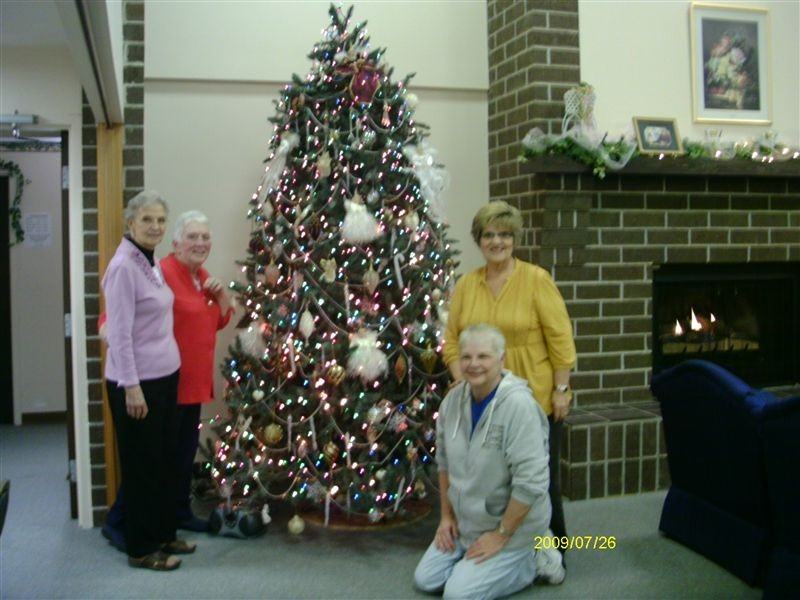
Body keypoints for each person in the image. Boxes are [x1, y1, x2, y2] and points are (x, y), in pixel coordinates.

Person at [443, 200, 576, 562]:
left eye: (504, 234)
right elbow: (452, 341)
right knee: (494, 480)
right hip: (483, 401)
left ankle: (554, 552)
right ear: (479, 240)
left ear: (515, 239)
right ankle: (501, 548)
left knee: (540, 479)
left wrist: (562, 389)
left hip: (534, 397)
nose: (497, 242)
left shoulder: (536, 280)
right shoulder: (467, 285)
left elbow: (561, 339)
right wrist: (462, 380)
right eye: (489, 234)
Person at [102, 210, 233, 548]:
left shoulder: (200, 276)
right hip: (164, 384)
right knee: (152, 462)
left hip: (193, 383)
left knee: (180, 459)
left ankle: (177, 514)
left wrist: (222, 297)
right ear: (175, 243)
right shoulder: (161, 272)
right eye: (192, 237)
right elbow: (110, 319)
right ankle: (118, 521)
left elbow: (215, 322)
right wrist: (122, 360)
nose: (200, 243)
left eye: (205, 237)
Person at [414, 324, 564, 600]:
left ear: (501, 360)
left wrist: (501, 535)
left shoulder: (519, 406)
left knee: (457, 595)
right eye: (466, 357)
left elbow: (531, 482)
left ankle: (535, 556)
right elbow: (444, 463)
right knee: (426, 579)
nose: (474, 364)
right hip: (467, 523)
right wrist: (446, 518)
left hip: (513, 529)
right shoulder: (452, 402)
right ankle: (476, 561)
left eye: (483, 356)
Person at [102, 190, 192, 570]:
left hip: (164, 375)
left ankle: (163, 534)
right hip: (138, 384)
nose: (155, 226)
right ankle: (141, 549)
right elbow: (119, 334)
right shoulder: (124, 266)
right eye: (147, 220)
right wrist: (132, 387)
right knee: (142, 467)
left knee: (163, 461)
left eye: (160, 220)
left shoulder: (148, 261)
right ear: (131, 223)